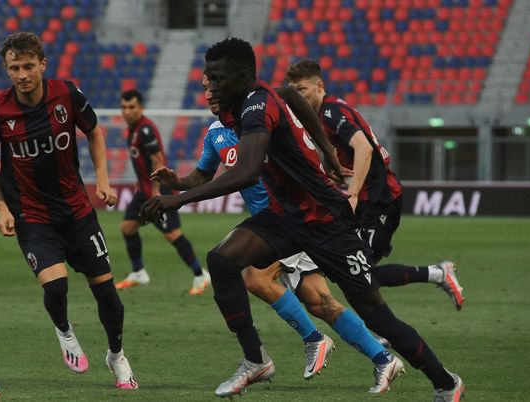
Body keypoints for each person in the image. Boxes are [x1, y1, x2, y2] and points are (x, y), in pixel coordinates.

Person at [140, 38, 464, 401]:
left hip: (327, 222)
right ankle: (255, 360)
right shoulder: (258, 96)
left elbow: (246, 173)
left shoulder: (255, 109)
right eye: (208, 79)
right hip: (286, 217)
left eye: (217, 79)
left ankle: (446, 383)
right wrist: (325, 151)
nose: (211, 86)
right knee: (222, 259)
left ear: (244, 77)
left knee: (376, 315)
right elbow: (292, 98)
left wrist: (179, 199)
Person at [152, 75, 403, 389]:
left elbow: (289, 132)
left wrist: (325, 152)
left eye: (215, 86)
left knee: (256, 279)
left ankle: (304, 343)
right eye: (204, 88)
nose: (209, 94)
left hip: (293, 219)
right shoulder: (216, 134)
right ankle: (381, 358)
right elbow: (202, 174)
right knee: (319, 302)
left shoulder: (259, 120)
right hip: (271, 227)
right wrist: (177, 183)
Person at [0, 32, 138, 389]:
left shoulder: (66, 94)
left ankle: (117, 355)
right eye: (14, 67)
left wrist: (102, 180)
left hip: (77, 212)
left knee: (107, 295)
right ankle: (64, 331)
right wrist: (2, 205)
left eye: (28, 66)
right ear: (6, 69)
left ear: (42, 65)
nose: (22, 74)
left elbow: (94, 132)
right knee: (56, 287)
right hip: (32, 217)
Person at [285, 59, 464, 310]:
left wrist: (354, 192)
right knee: (353, 270)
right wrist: (334, 172)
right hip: (369, 199)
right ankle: (430, 280)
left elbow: (363, 147)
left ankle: (435, 276)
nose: (297, 96)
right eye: (292, 90)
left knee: (359, 272)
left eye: (301, 89)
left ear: (319, 86)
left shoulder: (331, 111)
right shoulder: (320, 115)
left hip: (380, 198)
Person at [114, 89, 210, 295]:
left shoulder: (145, 129)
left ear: (141, 108)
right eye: (124, 108)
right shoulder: (133, 129)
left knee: (172, 234)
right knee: (128, 227)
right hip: (145, 190)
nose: (127, 112)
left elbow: (157, 159)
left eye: (132, 107)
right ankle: (138, 272)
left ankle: (200, 274)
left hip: (158, 190)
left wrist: (156, 191)